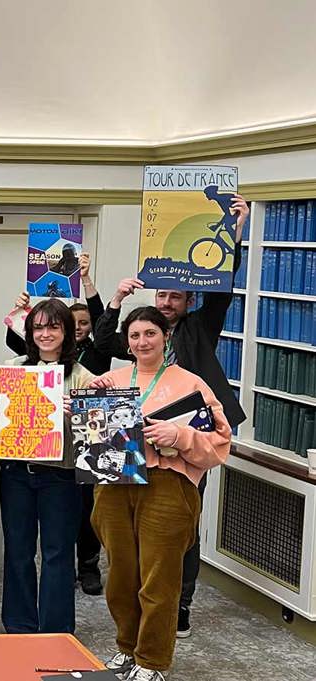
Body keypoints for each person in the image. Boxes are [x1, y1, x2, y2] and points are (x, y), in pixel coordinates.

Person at [93, 194, 248, 637]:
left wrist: (233, 231)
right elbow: (105, 343)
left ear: (186, 301)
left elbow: (222, 289)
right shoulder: (139, 334)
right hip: (134, 445)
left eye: (174, 296)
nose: (166, 300)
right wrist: (117, 299)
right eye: (160, 293)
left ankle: (180, 602)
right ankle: (140, 599)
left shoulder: (199, 326)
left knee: (183, 525)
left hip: (188, 434)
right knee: (130, 530)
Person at [89, 306, 231, 680]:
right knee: (120, 574)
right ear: (127, 342)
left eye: (150, 333)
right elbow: (91, 438)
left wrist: (180, 436)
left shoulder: (191, 383)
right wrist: (90, 400)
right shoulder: (111, 379)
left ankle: (152, 660)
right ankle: (126, 649)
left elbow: (220, 442)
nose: (142, 341)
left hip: (167, 485)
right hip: (115, 484)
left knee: (159, 578)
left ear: (165, 336)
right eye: (134, 335)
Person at [0, 299, 95, 635]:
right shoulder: (13, 367)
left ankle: (55, 630)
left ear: (67, 332)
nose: (45, 334)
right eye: (38, 327)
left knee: (57, 554)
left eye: (54, 327)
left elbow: (96, 440)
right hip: (17, 474)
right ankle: (20, 627)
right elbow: (3, 430)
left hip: (60, 476)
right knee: (18, 552)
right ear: (29, 332)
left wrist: (77, 416)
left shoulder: (84, 378)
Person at [6, 252, 114, 376]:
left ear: (91, 326)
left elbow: (99, 317)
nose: (77, 327)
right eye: (73, 323)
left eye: (84, 323)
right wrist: (18, 310)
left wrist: (85, 278)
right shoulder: (48, 347)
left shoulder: (100, 349)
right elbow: (14, 341)